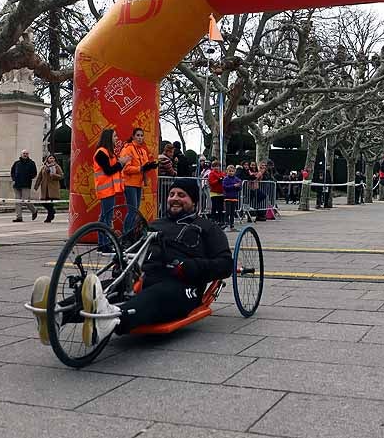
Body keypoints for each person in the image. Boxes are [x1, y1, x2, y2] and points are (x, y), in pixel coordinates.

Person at [29, 177, 232, 346]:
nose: (174, 199)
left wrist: (191, 267)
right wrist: (121, 260)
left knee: (156, 295)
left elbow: (225, 264)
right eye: (171, 195)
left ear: (194, 201)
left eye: (182, 195)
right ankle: (56, 315)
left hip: (182, 283)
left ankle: (110, 318)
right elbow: (129, 248)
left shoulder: (206, 227)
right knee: (104, 289)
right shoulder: (154, 224)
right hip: (144, 276)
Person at [94, 128, 129, 253]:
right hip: (106, 189)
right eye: (115, 136)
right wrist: (121, 163)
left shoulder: (108, 152)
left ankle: (103, 244)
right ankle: (104, 245)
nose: (117, 138)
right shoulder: (101, 153)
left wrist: (120, 163)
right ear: (108, 138)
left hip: (109, 189)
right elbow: (108, 170)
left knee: (105, 217)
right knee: (106, 218)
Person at [121, 128, 158, 239]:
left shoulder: (142, 151)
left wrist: (150, 166)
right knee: (132, 210)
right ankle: (126, 235)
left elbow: (144, 166)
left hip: (138, 184)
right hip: (129, 183)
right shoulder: (128, 149)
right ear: (133, 136)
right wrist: (141, 168)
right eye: (138, 135)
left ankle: (130, 234)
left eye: (142, 135)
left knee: (134, 210)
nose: (140, 137)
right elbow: (126, 168)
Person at [35, 153, 64, 223]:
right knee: (43, 202)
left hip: (52, 188)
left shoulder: (57, 166)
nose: (52, 159)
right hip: (45, 187)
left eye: (53, 158)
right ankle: (52, 212)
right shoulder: (44, 167)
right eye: (50, 158)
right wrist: (36, 185)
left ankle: (49, 217)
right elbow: (40, 176)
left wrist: (54, 175)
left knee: (50, 202)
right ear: (47, 159)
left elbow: (61, 176)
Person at [10, 149, 38, 222]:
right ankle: (19, 217)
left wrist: (29, 177)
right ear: (21, 154)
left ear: (28, 155)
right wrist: (13, 179)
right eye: (24, 153)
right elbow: (12, 172)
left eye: (26, 153)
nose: (25, 155)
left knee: (26, 201)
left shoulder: (31, 163)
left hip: (26, 185)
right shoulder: (17, 163)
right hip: (17, 185)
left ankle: (34, 210)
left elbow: (34, 173)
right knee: (17, 201)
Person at [222, 164, 242, 231]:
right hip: (228, 198)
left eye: (232, 171)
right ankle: (226, 225)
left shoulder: (237, 179)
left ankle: (232, 226)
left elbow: (240, 188)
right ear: (227, 171)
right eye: (230, 171)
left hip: (234, 198)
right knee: (228, 212)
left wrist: (238, 186)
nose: (231, 172)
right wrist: (233, 186)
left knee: (233, 213)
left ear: (234, 172)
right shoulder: (225, 179)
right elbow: (225, 187)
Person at [207, 160, 225, 225]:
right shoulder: (211, 173)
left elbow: (224, 178)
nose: (216, 168)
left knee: (220, 207)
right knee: (214, 206)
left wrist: (222, 179)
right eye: (215, 166)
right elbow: (211, 182)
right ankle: (213, 219)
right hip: (214, 192)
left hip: (221, 192)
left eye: (218, 166)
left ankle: (220, 220)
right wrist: (218, 180)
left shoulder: (222, 173)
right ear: (212, 167)